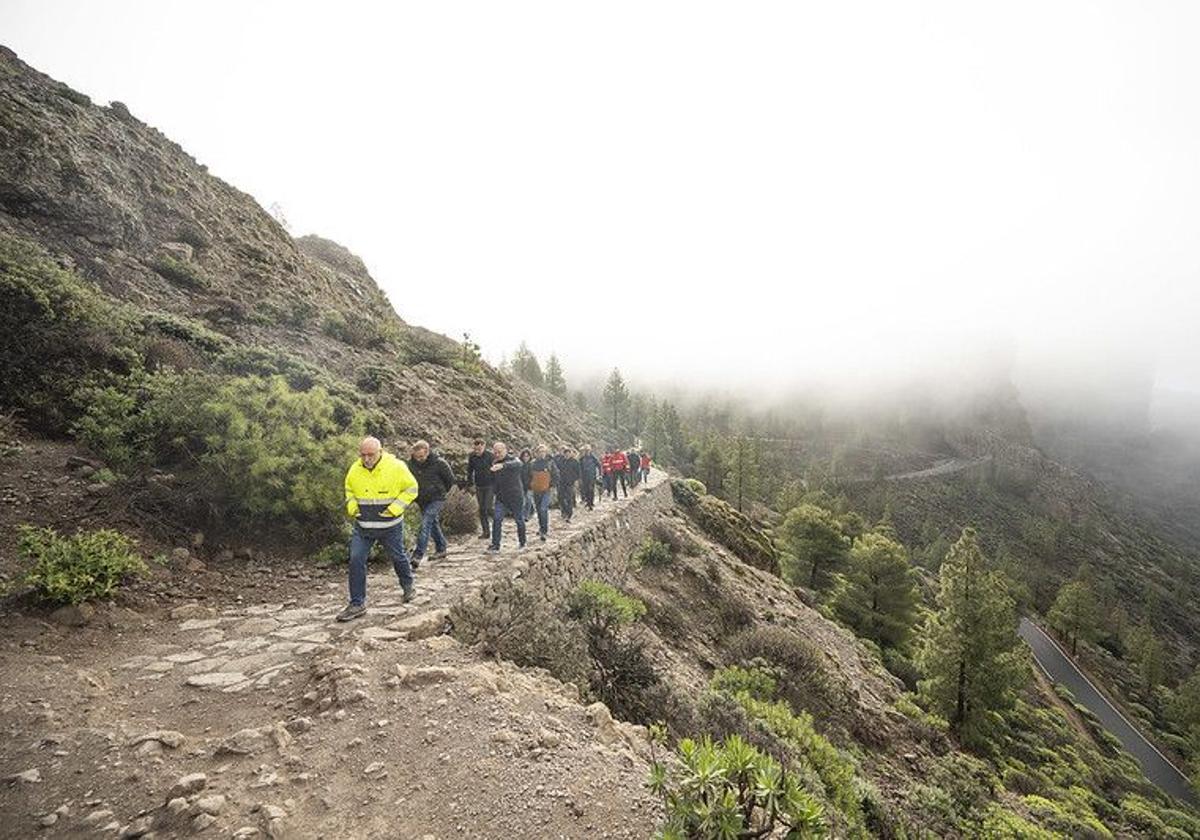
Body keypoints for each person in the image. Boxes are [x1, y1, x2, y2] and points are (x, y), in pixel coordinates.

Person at [338, 436, 418, 622]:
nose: (366, 459)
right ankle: (357, 603)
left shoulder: (396, 467)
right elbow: (349, 488)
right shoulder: (355, 469)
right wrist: (352, 506)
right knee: (356, 559)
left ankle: (408, 586)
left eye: (371, 455)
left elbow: (412, 488)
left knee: (398, 557)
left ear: (380, 452)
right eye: (363, 455)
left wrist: (395, 509)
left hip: (390, 527)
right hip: (363, 527)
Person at [407, 440, 456, 570]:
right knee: (432, 523)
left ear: (427, 452)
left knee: (426, 522)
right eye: (417, 457)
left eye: (421, 457)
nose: (419, 460)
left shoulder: (439, 463)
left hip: (437, 498)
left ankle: (417, 555)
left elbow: (450, 480)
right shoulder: (410, 464)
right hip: (421, 499)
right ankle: (441, 548)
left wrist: (440, 492)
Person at [488, 442, 527, 552]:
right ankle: (495, 544)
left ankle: (522, 542)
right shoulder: (494, 462)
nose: (497, 454)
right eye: (495, 452)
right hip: (501, 498)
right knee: (497, 519)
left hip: (515, 497)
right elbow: (493, 479)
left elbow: (518, 464)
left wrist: (502, 466)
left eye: (499, 452)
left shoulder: (513, 460)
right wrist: (495, 490)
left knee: (519, 520)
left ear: (505, 450)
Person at [525, 444, 560, 541]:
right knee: (539, 510)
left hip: (546, 490)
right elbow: (527, 476)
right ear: (536, 453)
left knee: (543, 509)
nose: (542, 454)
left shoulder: (550, 463)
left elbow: (556, 474)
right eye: (540, 452)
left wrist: (551, 485)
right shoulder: (532, 464)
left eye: (543, 452)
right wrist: (530, 485)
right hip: (536, 490)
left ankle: (544, 530)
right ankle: (541, 527)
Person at [465, 437, 494, 540]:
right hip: (479, 485)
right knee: (481, 509)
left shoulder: (490, 456)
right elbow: (469, 470)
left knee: (488, 508)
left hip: (490, 485)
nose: (477, 451)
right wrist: (470, 484)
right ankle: (486, 532)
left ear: (484, 447)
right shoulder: (472, 456)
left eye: (479, 449)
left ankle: (496, 525)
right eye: (475, 449)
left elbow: (496, 469)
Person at [557, 446, 580, 522]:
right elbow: (557, 470)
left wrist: (576, 481)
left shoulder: (574, 462)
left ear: (570, 454)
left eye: (568, 454)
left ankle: (569, 514)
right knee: (560, 498)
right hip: (561, 482)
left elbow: (578, 472)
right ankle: (563, 511)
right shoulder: (560, 461)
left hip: (570, 483)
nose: (567, 455)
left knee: (569, 498)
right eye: (565, 454)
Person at [579, 444, 601, 510]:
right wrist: (580, 476)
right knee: (586, 490)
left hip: (592, 477)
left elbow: (599, 465)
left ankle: (591, 503)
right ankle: (588, 502)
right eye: (585, 450)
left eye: (588, 450)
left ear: (590, 450)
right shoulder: (581, 459)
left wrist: (599, 474)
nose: (586, 451)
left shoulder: (593, 458)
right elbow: (579, 468)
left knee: (591, 489)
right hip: (584, 477)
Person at [518, 447, 534, 522]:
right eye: (524, 456)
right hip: (521, 485)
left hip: (530, 486)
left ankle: (527, 515)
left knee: (528, 500)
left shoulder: (532, 465)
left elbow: (534, 476)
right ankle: (524, 514)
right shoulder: (519, 464)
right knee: (522, 501)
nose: (526, 457)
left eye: (527, 456)